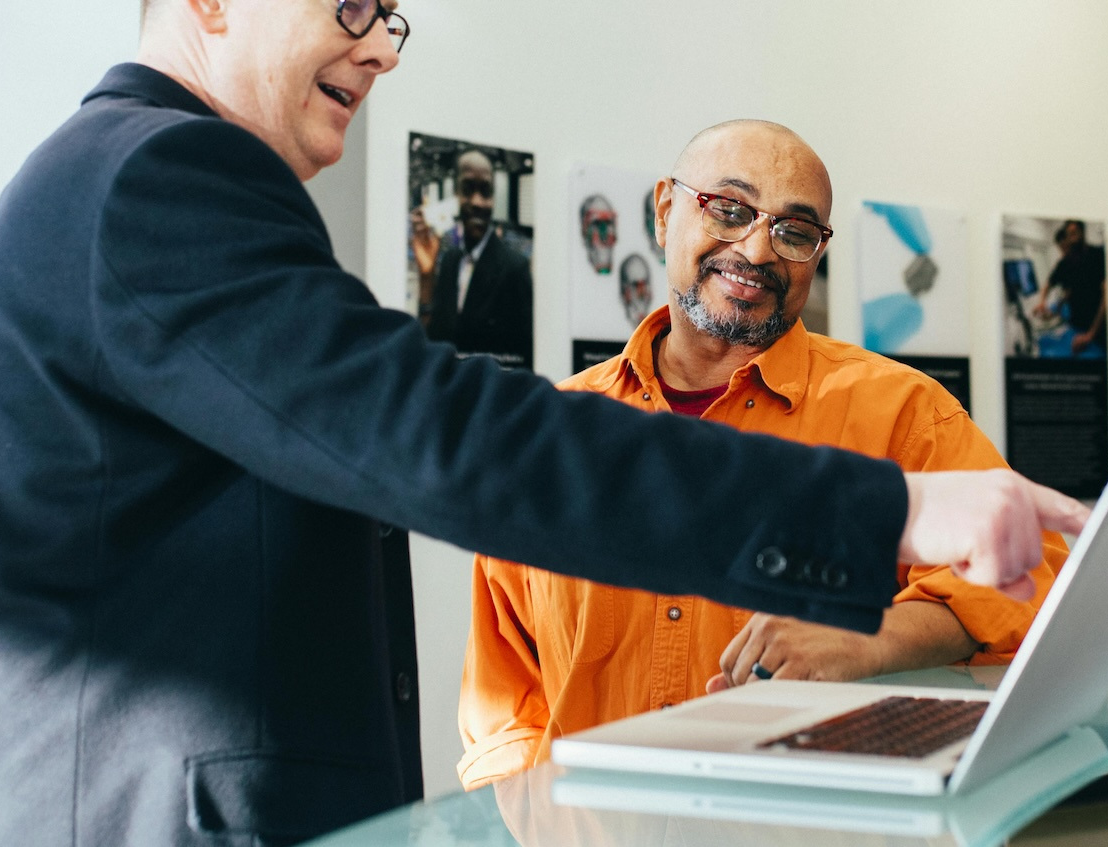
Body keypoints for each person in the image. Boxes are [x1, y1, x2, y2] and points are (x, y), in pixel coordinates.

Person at [0, 0, 1088, 847]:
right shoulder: (161, 173)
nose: (378, 47)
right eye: (348, 0)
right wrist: (880, 514)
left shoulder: (121, 179)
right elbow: (440, 436)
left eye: (388, 16)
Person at [456, 122, 1069, 789]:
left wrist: (870, 637)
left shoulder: (902, 411)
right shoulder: (556, 434)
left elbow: (1036, 573)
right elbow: (505, 701)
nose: (756, 249)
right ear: (665, 210)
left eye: (794, 231)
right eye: (729, 208)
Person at [417, 150, 534, 369]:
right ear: (455, 194)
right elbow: (433, 342)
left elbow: (524, 361)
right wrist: (426, 276)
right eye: (468, 189)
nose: (477, 202)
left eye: (486, 191)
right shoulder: (450, 261)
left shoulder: (514, 269)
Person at [1036, 219, 1107, 357]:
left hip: (1098, 328)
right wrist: (1042, 302)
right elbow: (1051, 284)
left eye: (1075, 233)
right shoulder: (1065, 263)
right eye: (1070, 234)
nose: (1072, 238)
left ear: (1082, 233)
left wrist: (1091, 334)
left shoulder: (1097, 255)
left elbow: (1107, 295)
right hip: (1076, 326)